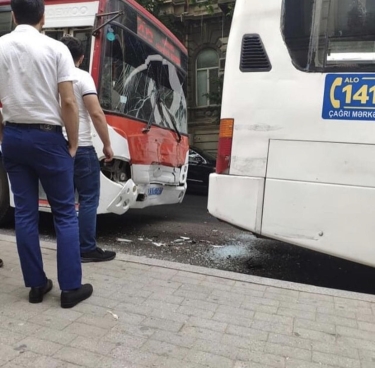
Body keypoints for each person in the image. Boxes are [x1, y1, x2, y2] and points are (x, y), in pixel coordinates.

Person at [0, 0, 93, 308]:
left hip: (13, 136)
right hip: (48, 137)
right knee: (65, 213)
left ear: (13, 15)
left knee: (24, 214)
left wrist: (4, 134)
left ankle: (36, 286)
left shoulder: (1, 46)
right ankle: (70, 289)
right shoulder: (56, 49)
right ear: (43, 16)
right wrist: (73, 142)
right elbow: (68, 102)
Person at [60, 36, 117, 263]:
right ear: (81, 58)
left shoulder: (50, 78)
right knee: (88, 198)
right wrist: (107, 144)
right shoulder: (82, 77)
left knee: (63, 201)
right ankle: (86, 248)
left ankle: (67, 248)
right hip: (82, 147)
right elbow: (95, 113)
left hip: (57, 147)